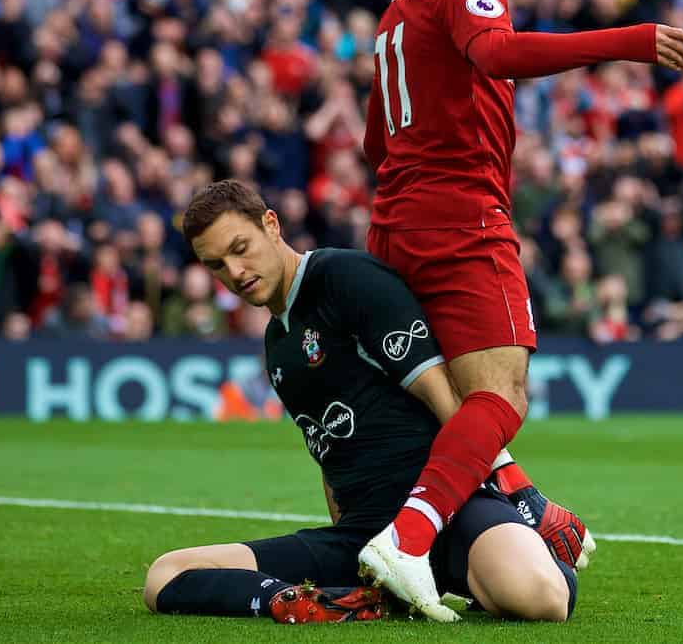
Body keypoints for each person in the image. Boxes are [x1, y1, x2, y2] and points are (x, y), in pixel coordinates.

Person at [360, 0, 683, 614]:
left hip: (398, 221)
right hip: (461, 215)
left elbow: (378, 138)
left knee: (460, 398)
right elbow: (499, 54)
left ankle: (513, 504)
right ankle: (408, 540)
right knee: (505, 395)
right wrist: (631, 41)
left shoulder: (397, 10)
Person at [143, 180, 577, 625]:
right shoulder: (276, 344)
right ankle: (302, 602)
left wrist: (512, 489)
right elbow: (329, 460)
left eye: (240, 248)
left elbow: (445, 396)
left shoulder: (346, 279)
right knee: (166, 574)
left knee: (541, 597)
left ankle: (514, 557)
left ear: (271, 224)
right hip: (363, 536)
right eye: (216, 264)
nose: (235, 271)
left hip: (445, 509)